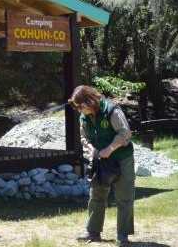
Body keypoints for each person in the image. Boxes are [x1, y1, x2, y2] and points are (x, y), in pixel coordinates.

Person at [70, 85, 135, 247]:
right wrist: (91, 149)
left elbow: (125, 133)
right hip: (100, 161)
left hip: (122, 159)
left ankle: (123, 235)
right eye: (76, 107)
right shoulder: (84, 117)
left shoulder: (112, 111)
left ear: (89, 101)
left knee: (124, 197)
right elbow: (84, 137)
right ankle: (93, 232)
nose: (78, 110)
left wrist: (110, 149)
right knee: (96, 194)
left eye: (80, 106)